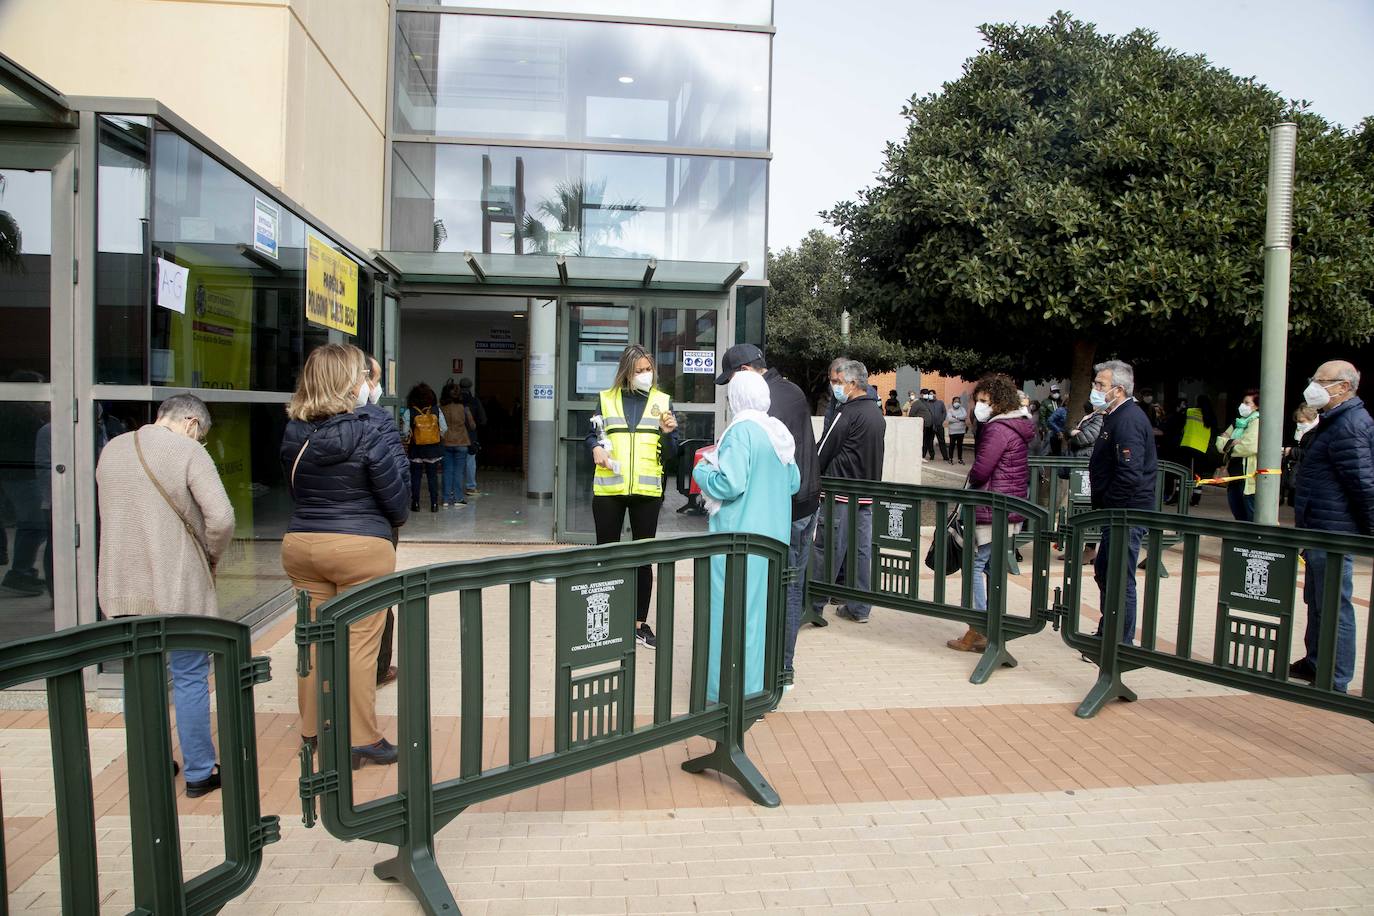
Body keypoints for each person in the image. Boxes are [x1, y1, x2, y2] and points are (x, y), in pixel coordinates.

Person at [96, 394, 235, 797]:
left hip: (122, 585)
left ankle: (151, 763)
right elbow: (222, 517)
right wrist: (210, 554)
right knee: (189, 675)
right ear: (192, 422)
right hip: (177, 585)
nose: (201, 441)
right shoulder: (188, 452)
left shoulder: (113, 448)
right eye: (202, 434)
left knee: (140, 678)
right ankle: (199, 772)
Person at [281, 344, 410, 768]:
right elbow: (398, 503)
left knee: (313, 642)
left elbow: (297, 488)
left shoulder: (295, 429)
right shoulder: (375, 426)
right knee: (358, 644)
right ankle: (360, 739)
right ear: (349, 383)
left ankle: (314, 731)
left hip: (302, 545)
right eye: (362, 377)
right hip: (359, 548)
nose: (366, 385)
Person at [714, 344, 820, 684]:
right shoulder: (790, 391)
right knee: (789, 586)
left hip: (781, 512)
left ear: (744, 372)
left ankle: (773, 671)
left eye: (730, 379)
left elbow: (746, 473)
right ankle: (777, 670)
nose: (730, 390)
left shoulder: (763, 405)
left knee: (776, 591)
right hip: (804, 503)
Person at [694, 371, 800, 700]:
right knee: (760, 616)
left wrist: (702, 470)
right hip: (772, 540)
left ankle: (724, 691)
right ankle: (757, 688)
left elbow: (730, 483)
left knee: (729, 615)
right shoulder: (777, 431)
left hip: (737, 540)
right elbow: (794, 482)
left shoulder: (740, 431)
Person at [1289, 361, 1373, 693]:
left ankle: (1335, 678)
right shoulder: (1332, 421)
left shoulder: (1350, 424)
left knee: (1335, 605)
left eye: (1321, 381)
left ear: (1343, 387)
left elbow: (1363, 484)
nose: (1313, 386)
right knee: (1318, 599)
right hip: (1319, 526)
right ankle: (1315, 662)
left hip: (1334, 531)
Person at [587, 344, 679, 649]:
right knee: (606, 557)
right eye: (640, 370)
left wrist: (668, 434)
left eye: (649, 369)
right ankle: (606, 621)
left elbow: (673, 454)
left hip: (646, 492)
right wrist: (595, 448)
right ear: (627, 371)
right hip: (609, 491)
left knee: (643, 560)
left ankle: (639, 624)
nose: (646, 375)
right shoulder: (606, 399)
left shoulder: (662, 402)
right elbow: (591, 434)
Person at [946, 374, 1032, 652]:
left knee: (973, 565)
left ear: (998, 402)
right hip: (1007, 508)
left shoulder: (998, 429)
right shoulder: (1018, 425)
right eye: (978, 401)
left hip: (990, 508)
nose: (979, 406)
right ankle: (989, 624)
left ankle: (980, 627)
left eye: (984, 401)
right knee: (990, 566)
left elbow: (982, 469)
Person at [1087, 359, 1157, 646]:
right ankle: (1109, 630)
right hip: (1114, 511)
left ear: (1118, 390)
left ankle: (1121, 641)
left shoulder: (1128, 419)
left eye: (1100, 385)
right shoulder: (1114, 416)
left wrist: (1111, 506)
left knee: (1120, 577)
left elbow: (1129, 473)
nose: (1095, 389)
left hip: (1126, 512)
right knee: (1105, 570)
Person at [810, 359, 885, 623]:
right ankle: (859, 607)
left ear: (853, 384)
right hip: (865, 492)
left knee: (827, 549)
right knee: (860, 551)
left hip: (840, 491)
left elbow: (823, 450)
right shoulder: (876, 412)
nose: (835, 387)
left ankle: (814, 604)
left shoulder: (847, 413)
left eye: (838, 382)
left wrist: (811, 473)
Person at [359, 355, 402, 689]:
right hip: (373, 530)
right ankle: (375, 669)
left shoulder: (304, 419)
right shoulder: (377, 420)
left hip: (312, 532)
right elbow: (398, 479)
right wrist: (396, 516)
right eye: (375, 379)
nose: (377, 387)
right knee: (376, 600)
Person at [1061, 400, 1105, 564]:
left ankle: (1090, 549)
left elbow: (1084, 438)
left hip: (1087, 467)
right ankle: (1074, 548)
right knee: (1073, 508)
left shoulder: (1100, 417)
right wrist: (1072, 432)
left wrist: (1074, 433)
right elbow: (1069, 432)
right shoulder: (1090, 416)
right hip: (1078, 467)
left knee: (1085, 508)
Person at [401, 383, 446, 512]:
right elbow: (444, 429)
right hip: (433, 449)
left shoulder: (410, 412)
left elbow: (404, 432)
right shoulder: (437, 410)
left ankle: (415, 503)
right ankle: (434, 505)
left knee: (415, 477)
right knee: (432, 477)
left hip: (416, 449)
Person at [1216, 390, 1260, 522]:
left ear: (1256, 406)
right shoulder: (1238, 422)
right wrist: (1232, 443)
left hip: (1247, 477)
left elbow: (1249, 447)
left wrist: (1227, 445)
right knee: (1237, 512)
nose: (1243, 405)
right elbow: (1219, 443)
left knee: (1250, 514)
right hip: (1233, 474)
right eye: (1243, 402)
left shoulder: (1257, 422)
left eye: (1247, 403)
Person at [1173, 394, 1215, 507]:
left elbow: (1178, 423)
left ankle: (1177, 495)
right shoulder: (1210, 416)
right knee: (1198, 475)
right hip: (1201, 448)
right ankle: (1195, 499)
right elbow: (1214, 432)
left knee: (1181, 472)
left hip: (1186, 445)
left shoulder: (1189, 411)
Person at [439, 380, 475, 508]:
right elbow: (472, 425)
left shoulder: (441, 408)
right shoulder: (464, 408)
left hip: (446, 442)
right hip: (461, 442)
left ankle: (446, 499)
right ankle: (459, 498)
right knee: (459, 472)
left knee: (447, 471)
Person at [1281, 404, 1319, 506]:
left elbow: (1313, 453)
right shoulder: (1302, 431)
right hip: (1299, 476)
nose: (1298, 424)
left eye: (1301, 421)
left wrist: (1292, 451)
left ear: (1312, 418)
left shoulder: (1318, 432)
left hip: (1310, 479)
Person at [456, 378, 487, 495]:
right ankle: (470, 487)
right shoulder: (474, 401)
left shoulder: (454, 401)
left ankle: (455, 488)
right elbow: (483, 420)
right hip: (470, 436)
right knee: (470, 462)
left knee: (456, 463)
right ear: (470, 387)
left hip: (455, 436)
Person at [910, 389, 936, 460]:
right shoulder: (917, 403)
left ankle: (930, 455)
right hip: (922, 426)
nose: (926, 395)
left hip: (930, 425)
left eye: (927, 393)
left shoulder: (928, 402)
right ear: (921, 394)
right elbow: (911, 414)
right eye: (924, 393)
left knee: (929, 441)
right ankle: (921, 456)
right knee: (923, 441)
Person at [928, 391, 950, 462]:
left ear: (935, 394)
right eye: (930, 394)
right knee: (930, 441)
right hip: (930, 425)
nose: (931, 395)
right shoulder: (927, 403)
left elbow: (944, 412)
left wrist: (941, 420)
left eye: (932, 394)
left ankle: (945, 456)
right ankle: (932, 455)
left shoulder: (940, 403)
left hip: (939, 425)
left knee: (941, 441)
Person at [947, 395, 968, 464]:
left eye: (958, 402)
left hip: (961, 431)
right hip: (952, 431)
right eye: (955, 401)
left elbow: (964, 416)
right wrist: (960, 419)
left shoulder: (963, 409)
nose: (957, 403)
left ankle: (960, 459)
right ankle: (950, 458)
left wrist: (955, 417)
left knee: (960, 446)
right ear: (952, 402)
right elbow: (950, 419)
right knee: (952, 445)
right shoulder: (950, 410)